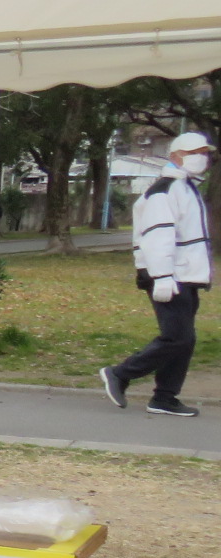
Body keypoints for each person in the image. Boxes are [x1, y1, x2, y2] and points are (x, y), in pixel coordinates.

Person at [102, 131, 212, 419]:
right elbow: (158, 236)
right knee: (177, 337)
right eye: (194, 152)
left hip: (184, 276)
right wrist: (162, 276)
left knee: (184, 339)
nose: (202, 158)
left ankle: (164, 397)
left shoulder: (185, 187)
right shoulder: (165, 190)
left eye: (204, 152)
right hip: (170, 276)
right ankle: (120, 374)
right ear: (175, 156)